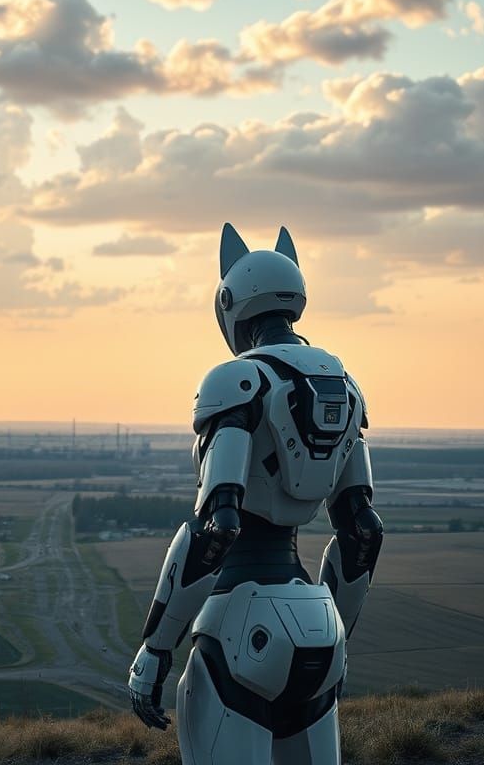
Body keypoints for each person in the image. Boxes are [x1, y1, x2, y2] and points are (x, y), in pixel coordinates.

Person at [128, 223, 383, 765]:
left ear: (230, 303)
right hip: (318, 622)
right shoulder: (344, 385)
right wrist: (336, 634)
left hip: (239, 621)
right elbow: (363, 530)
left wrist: (154, 650)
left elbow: (217, 525)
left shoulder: (236, 382)